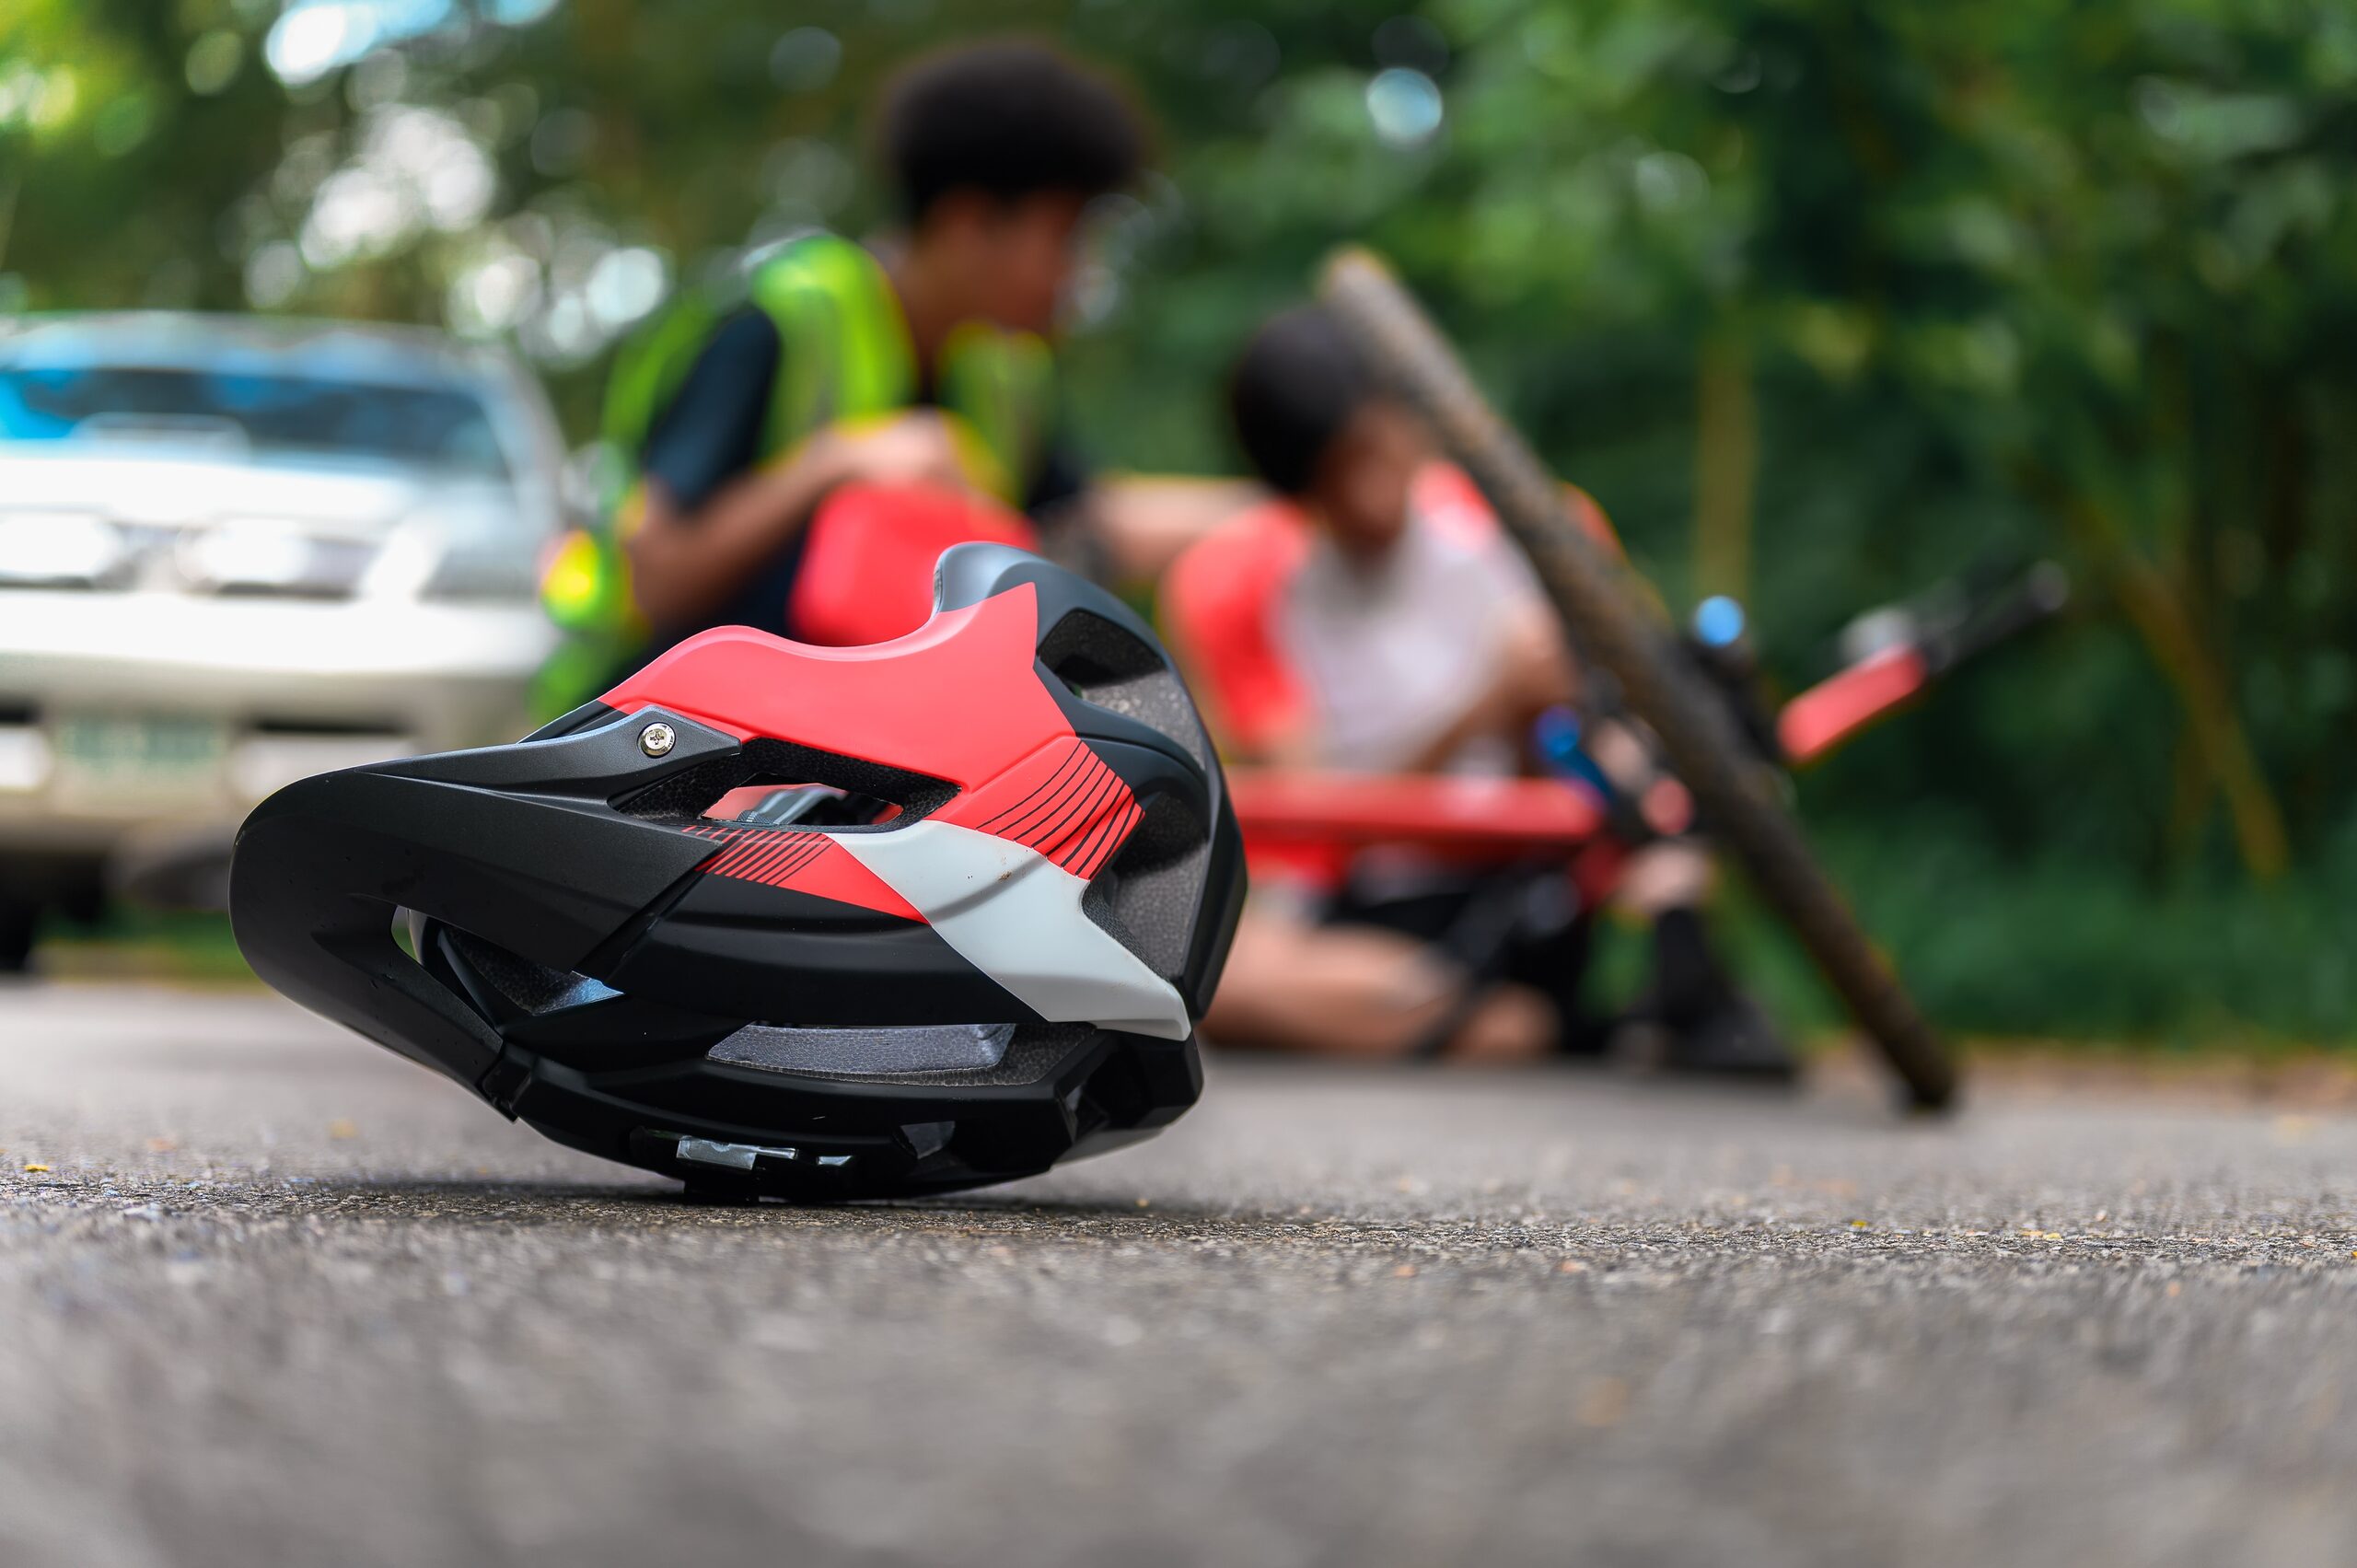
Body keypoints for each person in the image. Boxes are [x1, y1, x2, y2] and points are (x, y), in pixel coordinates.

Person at [1165, 306, 1790, 1075]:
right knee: (1215, 975)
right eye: (1330, 484)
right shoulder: (1261, 590)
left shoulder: (1530, 533)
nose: (1364, 501)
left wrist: (1539, 711)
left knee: (1630, 738)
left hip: (1539, 879)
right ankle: (1531, 1028)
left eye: (1369, 454)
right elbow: (1321, 824)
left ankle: (1665, 964)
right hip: (1386, 913)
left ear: (1406, 418)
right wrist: (1480, 710)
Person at [540, 39, 1245, 695]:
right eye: (1065, 237)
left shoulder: (1001, 372)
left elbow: (1090, 522)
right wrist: (835, 464)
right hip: (660, 742)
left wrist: (1285, 507)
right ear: (970, 223)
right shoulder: (781, 323)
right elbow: (656, 579)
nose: (1078, 274)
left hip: (842, 769)